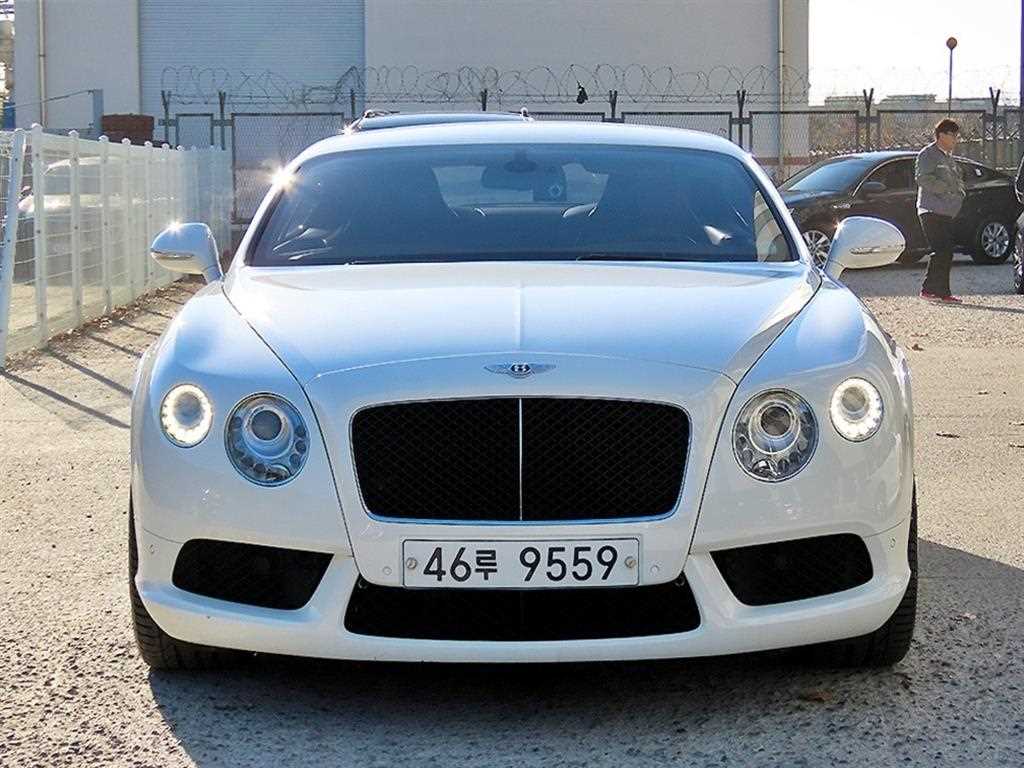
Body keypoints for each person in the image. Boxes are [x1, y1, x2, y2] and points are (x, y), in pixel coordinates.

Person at [915, 118, 966, 303]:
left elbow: (957, 179)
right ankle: (935, 291)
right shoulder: (927, 154)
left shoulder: (948, 158)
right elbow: (922, 178)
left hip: (946, 211)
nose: (956, 140)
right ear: (941, 135)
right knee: (942, 250)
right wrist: (945, 189)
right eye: (953, 135)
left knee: (945, 251)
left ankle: (936, 291)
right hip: (930, 209)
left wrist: (960, 193)